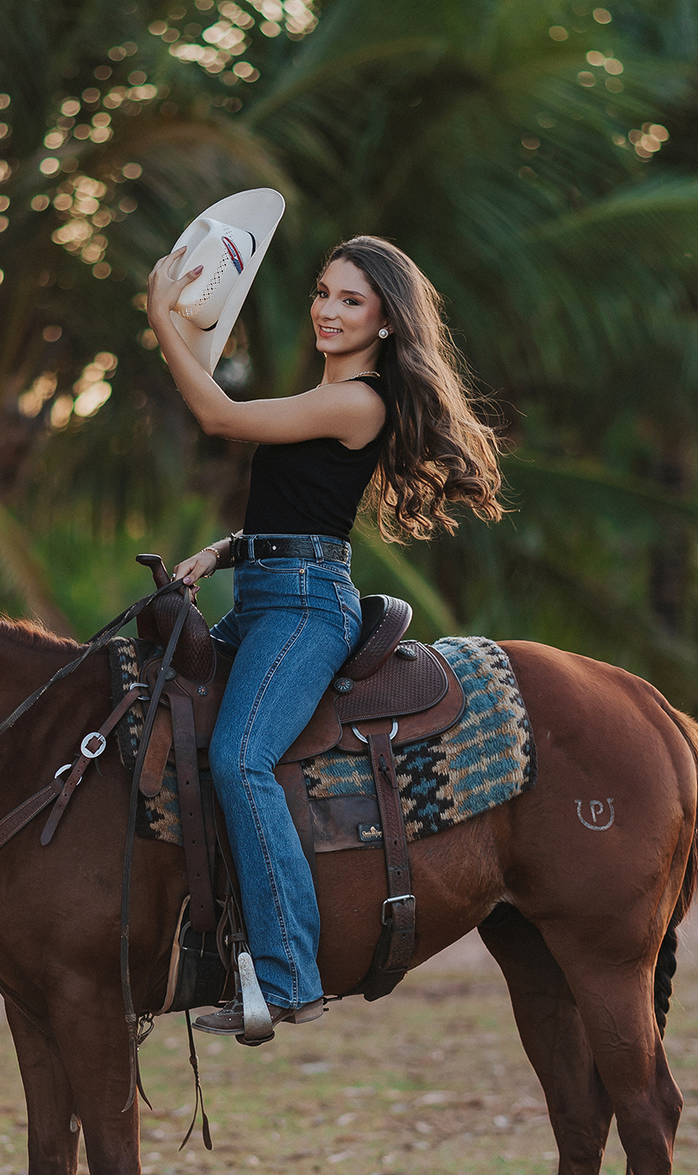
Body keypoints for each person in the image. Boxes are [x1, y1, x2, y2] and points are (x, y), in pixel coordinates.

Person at [144, 235, 503, 1038]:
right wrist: (227, 550)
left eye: (351, 300)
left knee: (241, 756)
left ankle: (287, 977)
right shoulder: (325, 394)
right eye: (323, 292)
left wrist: (159, 316)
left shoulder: (360, 400)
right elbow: (304, 511)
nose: (327, 310)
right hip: (269, 589)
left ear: (384, 323)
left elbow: (216, 414)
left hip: (306, 610)